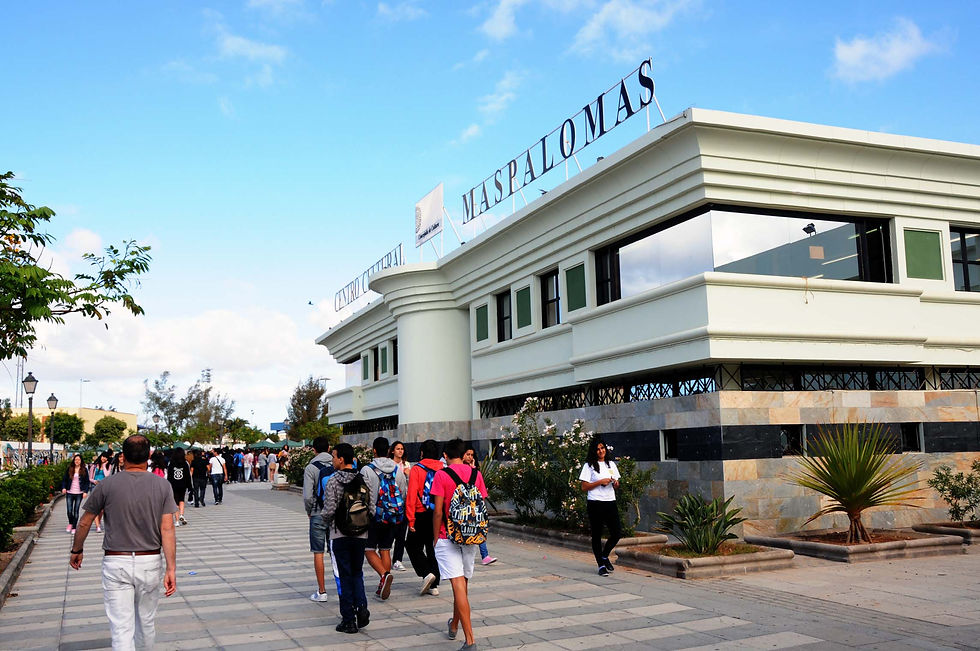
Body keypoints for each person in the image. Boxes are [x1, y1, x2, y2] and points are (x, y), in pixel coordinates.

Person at [69, 434, 178, 651]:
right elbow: (167, 528)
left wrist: (77, 549)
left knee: (121, 628)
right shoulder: (162, 486)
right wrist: (171, 568)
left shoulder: (106, 485)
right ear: (148, 455)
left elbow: (84, 522)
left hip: (116, 561)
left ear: (123, 456)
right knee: (146, 621)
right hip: (150, 561)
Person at [431, 438, 488, 651]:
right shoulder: (477, 474)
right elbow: (481, 504)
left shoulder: (441, 475)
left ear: (445, 456)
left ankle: (470, 641)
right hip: (470, 536)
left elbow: (437, 511)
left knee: (457, 586)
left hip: (448, 535)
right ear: (464, 454)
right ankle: (454, 624)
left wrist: (435, 536)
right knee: (463, 586)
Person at [320, 443, 373, 634]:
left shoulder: (333, 481)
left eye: (334, 457)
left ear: (341, 459)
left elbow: (329, 511)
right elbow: (372, 508)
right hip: (361, 534)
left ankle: (348, 619)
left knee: (344, 574)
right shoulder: (363, 479)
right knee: (357, 572)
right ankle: (362, 608)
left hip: (339, 534)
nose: (332, 460)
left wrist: (324, 521)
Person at [359, 436, 407, 601]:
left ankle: (384, 575)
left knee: (369, 549)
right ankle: (384, 582)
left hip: (374, 516)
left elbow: (363, 495)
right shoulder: (397, 469)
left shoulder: (367, 470)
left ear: (373, 451)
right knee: (385, 549)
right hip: (393, 516)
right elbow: (403, 492)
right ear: (388, 451)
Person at [578, 436, 621, 576]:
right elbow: (584, 487)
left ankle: (604, 555)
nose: (600, 451)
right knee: (596, 534)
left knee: (616, 533)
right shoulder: (589, 465)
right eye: (597, 449)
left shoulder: (611, 464)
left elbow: (617, 484)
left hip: (610, 501)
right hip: (595, 503)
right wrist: (600, 482)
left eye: (602, 448)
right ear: (594, 451)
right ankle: (600, 565)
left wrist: (614, 483)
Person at [405, 439, 443, 596]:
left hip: (421, 514)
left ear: (421, 452)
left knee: (412, 546)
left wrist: (410, 519)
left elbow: (412, 495)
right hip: (438, 513)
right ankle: (434, 585)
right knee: (432, 547)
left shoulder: (416, 469)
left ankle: (426, 573)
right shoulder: (443, 468)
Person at [303, 436, 334, 603]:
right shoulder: (337, 463)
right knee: (336, 552)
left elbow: (308, 496)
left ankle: (322, 591)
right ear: (329, 448)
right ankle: (341, 586)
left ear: (313, 449)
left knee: (318, 552)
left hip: (317, 513)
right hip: (335, 514)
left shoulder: (311, 467)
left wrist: (309, 511)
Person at [463, 446, 497, 566]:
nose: (470, 457)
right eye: (468, 454)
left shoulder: (476, 473)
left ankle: (485, 555)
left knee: (479, 530)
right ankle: (483, 555)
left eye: (472, 455)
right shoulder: (459, 471)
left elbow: (482, 492)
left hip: (475, 507)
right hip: (462, 508)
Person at [389, 441, 411, 572]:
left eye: (402, 449)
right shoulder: (389, 464)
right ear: (393, 451)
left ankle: (397, 560)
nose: (400, 451)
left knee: (401, 534)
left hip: (404, 502)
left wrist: (408, 475)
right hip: (391, 502)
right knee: (390, 532)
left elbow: (410, 485)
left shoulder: (407, 465)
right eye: (398, 449)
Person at [61, 454, 91, 535]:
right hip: (70, 492)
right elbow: (64, 480)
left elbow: (87, 482)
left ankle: (74, 527)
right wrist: (64, 487)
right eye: (75, 460)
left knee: (76, 511)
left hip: (79, 493)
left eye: (78, 460)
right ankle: (70, 523)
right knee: (69, 511)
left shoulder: (84, 470)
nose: (77, 461)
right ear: (73, 461)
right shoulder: (70, 469)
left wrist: (85, 491)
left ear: (81, 461)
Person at [166, 448, 191, 527]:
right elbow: (188, 475)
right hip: (182, 484)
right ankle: (181, 515)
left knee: (175, 502)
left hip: (173, 485)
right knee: (181, 500)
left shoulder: (171, 463)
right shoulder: (185, 463)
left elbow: (169, 476)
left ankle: (176, 521)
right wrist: (189, 485)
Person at [89, 452, 112, 533]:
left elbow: (107, 475)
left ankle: (97, 522)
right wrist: (94, 481)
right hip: (95, 486)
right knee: (96, 507)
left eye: (105, 457)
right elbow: (90, 478)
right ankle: (98, 526)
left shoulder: (108, 466)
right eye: (102, 456)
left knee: (102, 509)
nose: (103, 458)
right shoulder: (94, 466)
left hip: (104, 487)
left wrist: (104, 465)